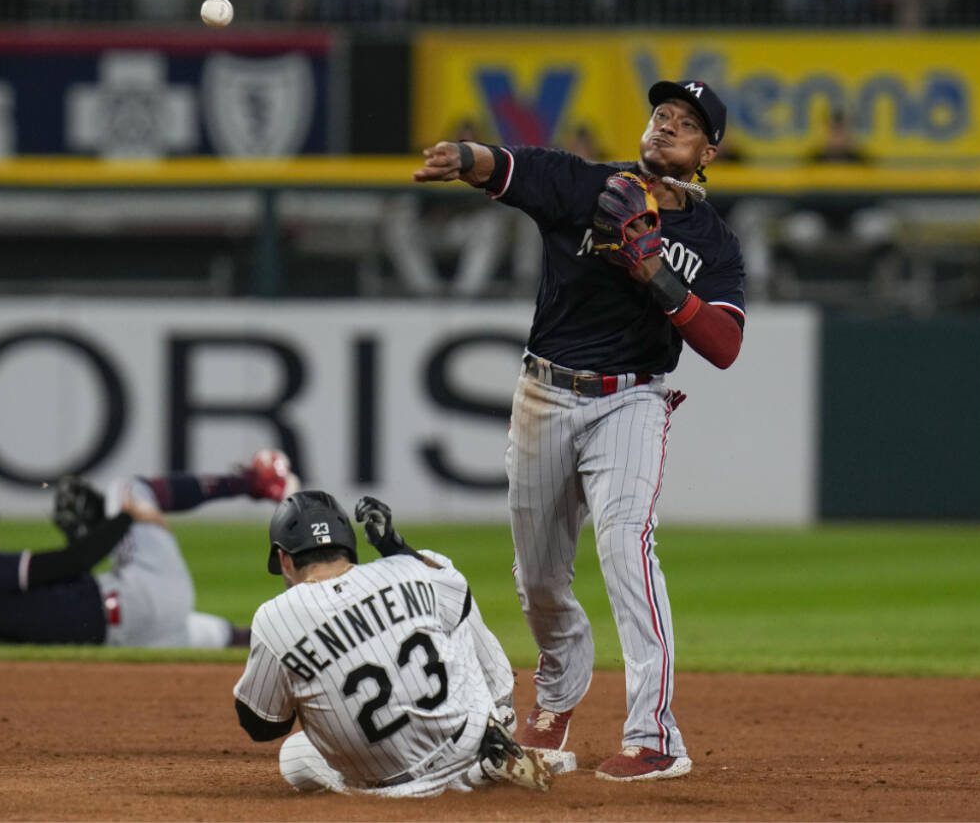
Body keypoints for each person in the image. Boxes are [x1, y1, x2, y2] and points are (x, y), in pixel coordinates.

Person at [412, 80, 747, 781]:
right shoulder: (584, 185)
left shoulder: (713, 244)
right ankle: (560, 688)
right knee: (538, 578)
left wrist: (654, 271)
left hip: (633, 400)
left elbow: (722, 345)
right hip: (544, 393)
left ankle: (654, 734)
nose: (666, 128)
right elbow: (508, 167)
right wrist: (463, 156)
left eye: (686, 124)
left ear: (708, 151)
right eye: (662, 115)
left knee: (627, 547)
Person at [232, 491, 554, 796]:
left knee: (293, 755)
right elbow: (457, 597)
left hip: (390, 786)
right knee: (449, 588)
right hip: (465, 741)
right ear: (348, 542)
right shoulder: (411, 571)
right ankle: (497, 724)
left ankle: (387, 789)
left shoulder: (275, 618)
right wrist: (395, 546)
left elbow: (262, 727)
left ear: (285, 560)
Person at [0, 449, 299, 648]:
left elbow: (63, 599)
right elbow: (75, 561)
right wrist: (125, 518)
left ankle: (305, 636)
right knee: (128, 488)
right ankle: (260, 482)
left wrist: (88, 539)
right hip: (139, 599)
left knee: (227, 638)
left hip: (130, 638)